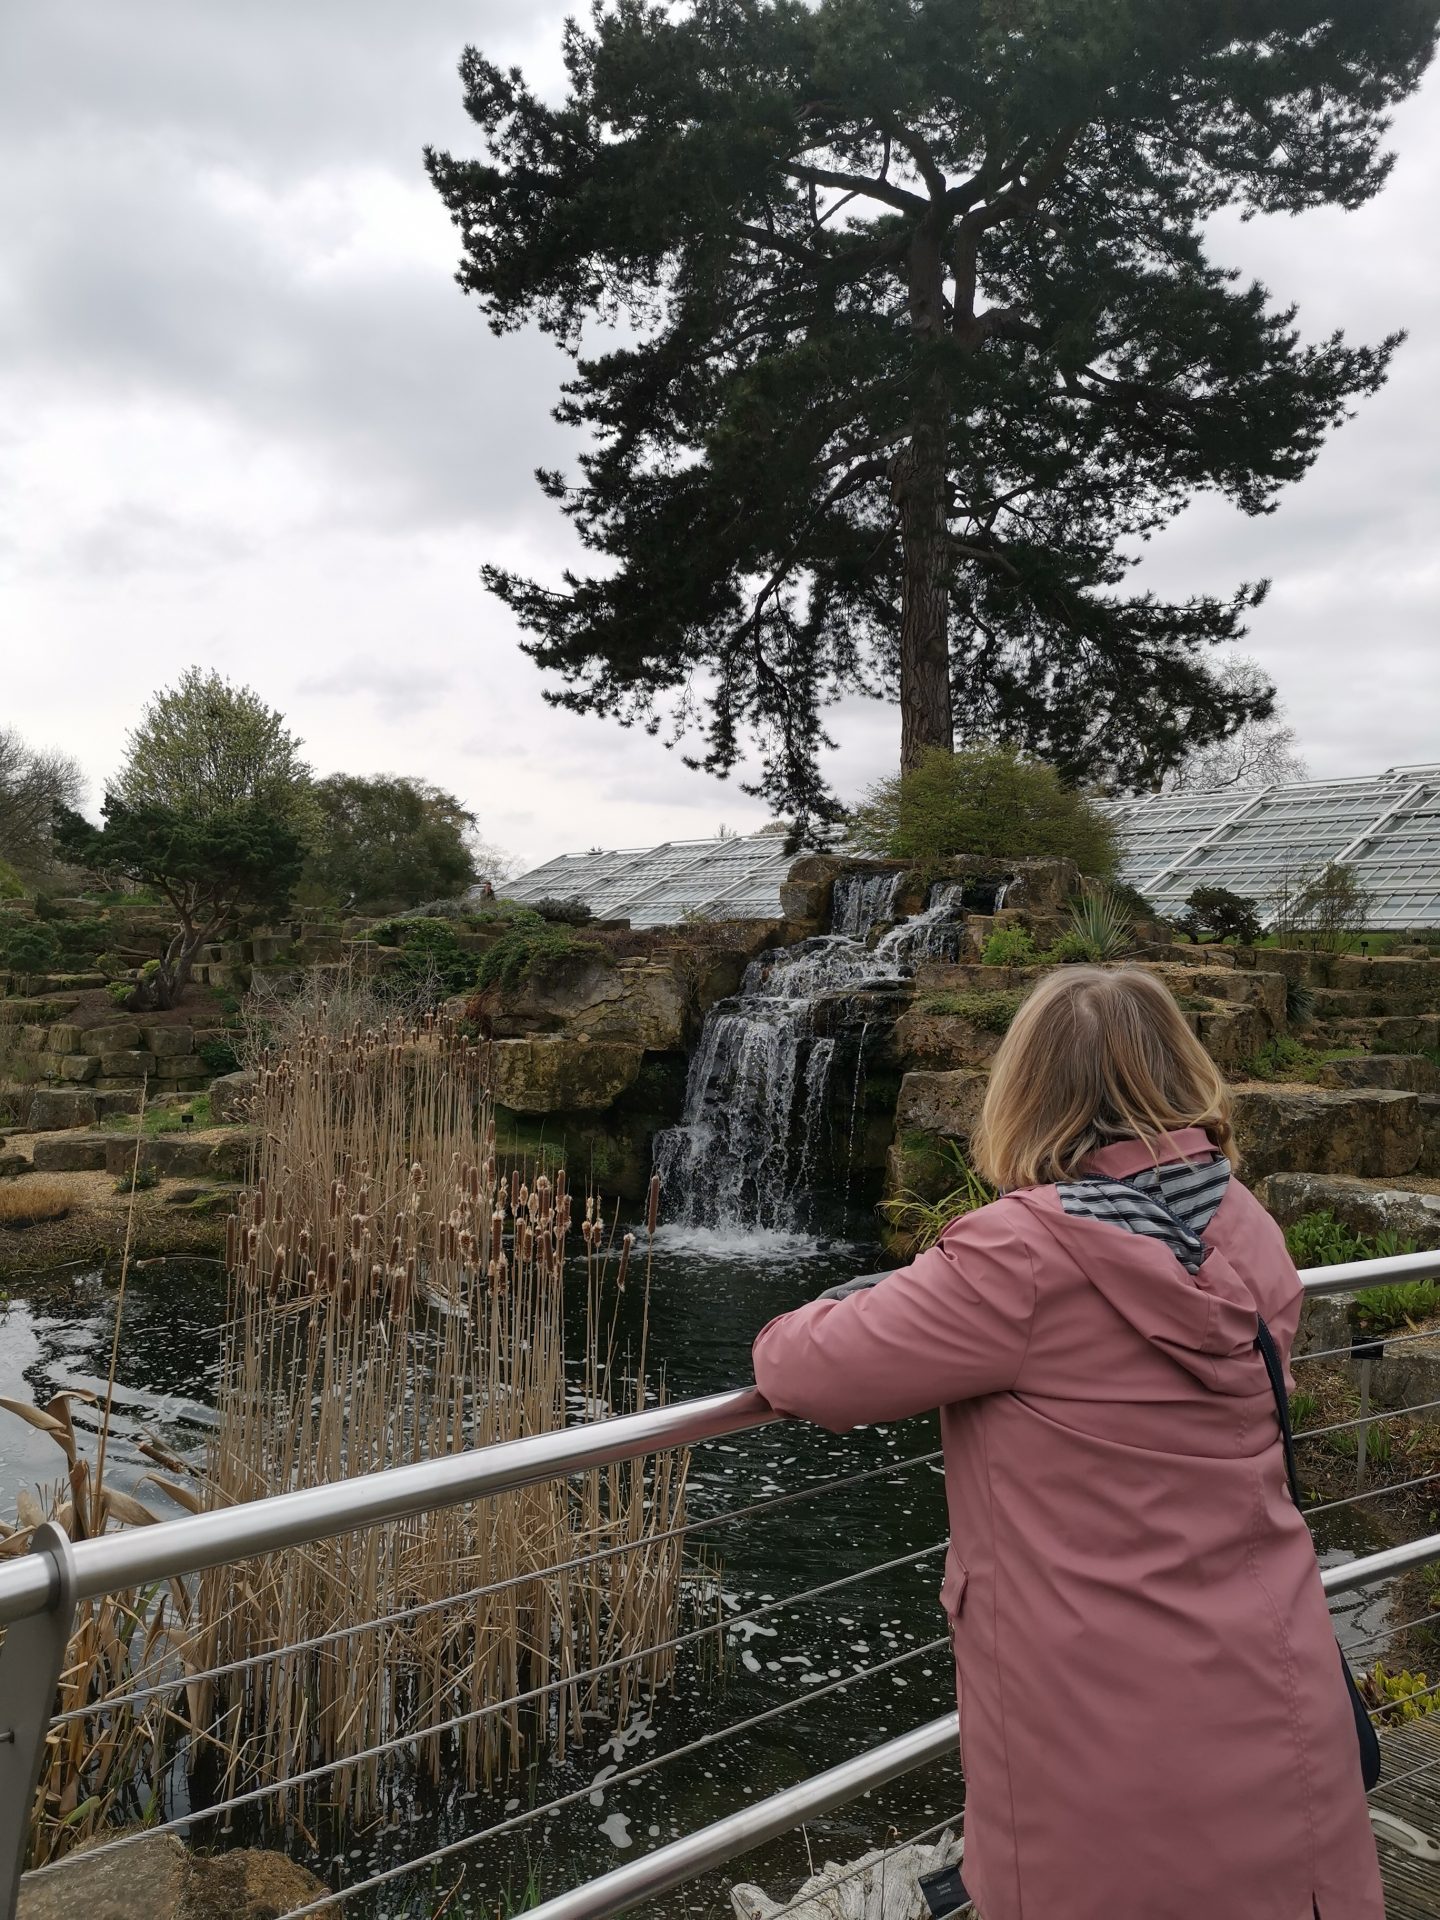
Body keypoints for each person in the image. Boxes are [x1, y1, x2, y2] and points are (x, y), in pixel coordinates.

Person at [751, 965, 1382, 1920]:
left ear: (1028, 1091)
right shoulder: (1241, 1222)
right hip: (1274, 1670)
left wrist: (861, 1296)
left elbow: (802, 1368)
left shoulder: (1018, 1256)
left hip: (1097, 1718)